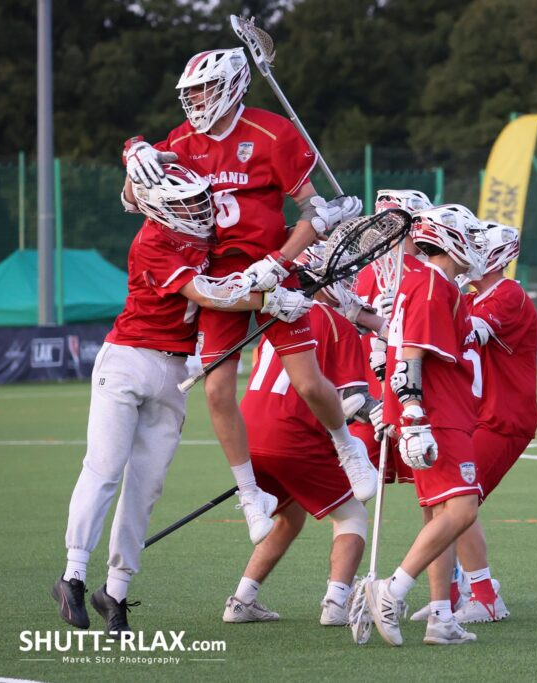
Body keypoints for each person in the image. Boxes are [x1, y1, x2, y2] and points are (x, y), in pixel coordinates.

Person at [121, 48, 377, 547]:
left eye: (203, 89)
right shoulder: (181, 141)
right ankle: (248, 493)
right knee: (216, 391)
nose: (195, 100)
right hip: (219, 284)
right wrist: (134, 154)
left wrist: (279, 261)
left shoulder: (273, 133)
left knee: (307, 382)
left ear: (234, 85)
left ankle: (347, 446)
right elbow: (136, 201)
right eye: (190, 92)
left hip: (272, 270)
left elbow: (314, 213)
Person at [52, 165, 311, 633]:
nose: (196, 209)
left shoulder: (204, 232)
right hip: (129, 359)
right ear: (156, 208)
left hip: (176, 370)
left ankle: (116, 591)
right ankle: (72, 574)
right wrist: (267, 302)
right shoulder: (151, 241)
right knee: (105, 469)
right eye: (183, 204)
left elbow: (253, 249)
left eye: (196, 200)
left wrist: (312, 230)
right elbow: (206, 292)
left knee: (147, 486)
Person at [224, 279, 382, 625]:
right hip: (292, 435)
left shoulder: (280, 316)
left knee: (290, 516)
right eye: (342, 280)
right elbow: (352, 400)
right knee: (351, 514)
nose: (350, 288)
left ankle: (241, 600)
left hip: (247, 433)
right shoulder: (337, 325)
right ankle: (336, 603)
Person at [364, 204, 486, 646]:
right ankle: (392, 590)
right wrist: (414, 416)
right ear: (450, 238)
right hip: (438, 414)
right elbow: (411, 354)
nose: (473, 243)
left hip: (439, 412)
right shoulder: (433, 285)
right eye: (467, 234)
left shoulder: (430, 284)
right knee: (462, 510)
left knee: (441, 514)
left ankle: (440, 618)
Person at [409, 223, 537, 624]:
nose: (470, 252)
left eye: (479, 246)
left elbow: (467, 335)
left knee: (458, 503)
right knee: (439, 506)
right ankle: (445, 598)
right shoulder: (465, 295)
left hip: (501, 418)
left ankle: (484, 597)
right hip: (470, 417)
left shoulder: (508, 294)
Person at [350, 189, 433, 486]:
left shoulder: (429, 275)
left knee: (434, 492)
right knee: (439, 499)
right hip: (384, 399)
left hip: (389, 398)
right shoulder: (371, 273)